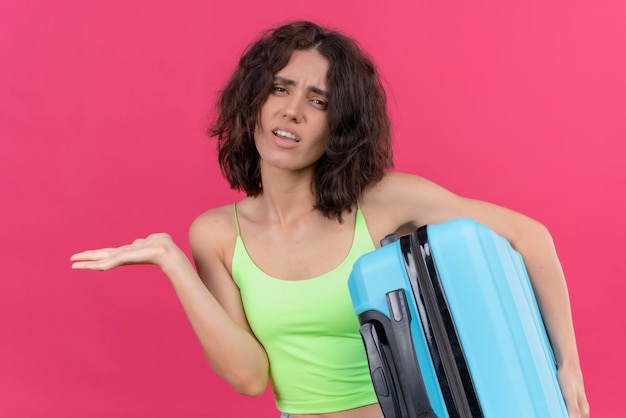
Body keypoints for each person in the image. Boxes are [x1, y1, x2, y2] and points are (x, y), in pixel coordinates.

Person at [70, 21, 589, 418]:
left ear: (339, 126)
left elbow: (529, 236)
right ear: (253, 102)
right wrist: (172, 263)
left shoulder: (384, 199)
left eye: (317, 101)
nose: (292, 111)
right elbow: (251, 379)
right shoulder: (215, 235)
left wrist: (567, 368)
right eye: (280, 89)